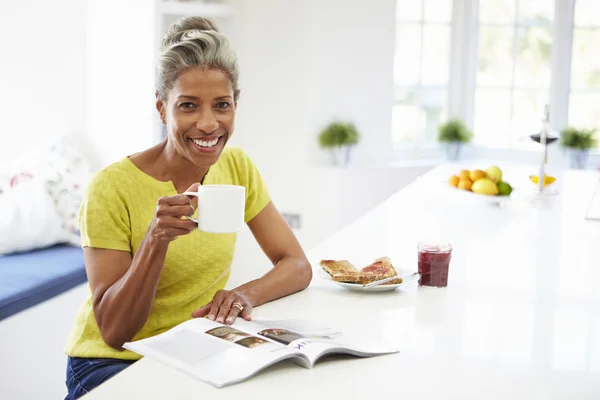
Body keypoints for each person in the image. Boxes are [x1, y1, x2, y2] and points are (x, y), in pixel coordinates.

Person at [63, 16, 312, 399]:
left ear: (236, 104)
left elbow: (296, 265)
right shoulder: (111, 188)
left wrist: (244, 295)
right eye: (189, 106)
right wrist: (155, 241)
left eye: (221, 105)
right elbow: (114, 332)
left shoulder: (237, 166)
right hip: (111, 365)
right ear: (162, 108)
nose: (209, 124)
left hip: (192, 351)